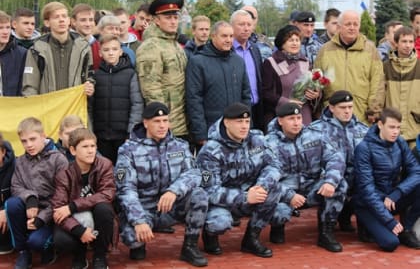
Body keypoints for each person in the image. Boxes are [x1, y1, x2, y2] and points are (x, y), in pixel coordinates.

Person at [115, 102, 208, 267]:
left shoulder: (179, 145)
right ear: (145, 123)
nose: (162, 125)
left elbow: (194, 173)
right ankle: (140, 242)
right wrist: (139, 221)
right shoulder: (128, 150)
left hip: (171, 206)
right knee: (132, 239)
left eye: (165, 120)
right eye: (157, 121)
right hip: (144, 207)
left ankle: (190, 247)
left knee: (199, 195)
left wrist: (174, 191)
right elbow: (125, 189)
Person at [197, 103, 284, 258]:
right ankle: (210, 235)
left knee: (274, 187)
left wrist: (261, 186)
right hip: (222, 202)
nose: (244, 126)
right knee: (219, 223)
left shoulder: (256, 140)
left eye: (246, 122)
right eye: (239, 122)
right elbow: (208, 190)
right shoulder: (209, 151)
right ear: (226, 123)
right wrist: (244, 197)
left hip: (251, 194)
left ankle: (251, 238)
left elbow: (274, 165)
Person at [265, 103, 347, 252]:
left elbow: (335, 157)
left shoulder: (315, 135)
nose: (296, 122)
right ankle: (277, 226)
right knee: (278, 213)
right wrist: (289, 195)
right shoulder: (269, 143)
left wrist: (330, 181)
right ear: (280, 121)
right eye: (291, 119)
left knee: (340, 185)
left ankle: (326, 233)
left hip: (311, 189)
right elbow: (266, 179)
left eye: (299, 118)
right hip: (285, 194)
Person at [353, 107, 420, 251]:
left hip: (390, 198)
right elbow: (367, 191)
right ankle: (366, 224)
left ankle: (405, 229)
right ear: (380, 125)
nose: (395, 131)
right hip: (368, 204)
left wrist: (397, 193)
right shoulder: (364, 148)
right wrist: (390, 222)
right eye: (391, 127)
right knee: (390, 243)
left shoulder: (400, 142)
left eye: (398, 127)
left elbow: (416, 171)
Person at [6, 117, 68, 269]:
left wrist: (41, 218)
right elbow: (16, 186)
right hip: (29, 209)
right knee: (12, 204)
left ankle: (48, 247)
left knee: (37, 242)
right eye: (24, 141)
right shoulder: (20, 161)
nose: (29, 145)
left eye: (33, 139)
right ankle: (23, 252)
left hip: (51, 213)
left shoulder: (59, 159)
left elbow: (62, 196)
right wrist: (30, 198)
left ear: (43, 136)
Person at [51, 128, 115, 269]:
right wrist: (79, 230)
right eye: (85, 147)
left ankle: (100, 255)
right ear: (73, 150)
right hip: (77, 219)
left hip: (97, 215)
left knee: (104, 208)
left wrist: (72, 206)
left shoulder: (104, 165)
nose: (90, 150)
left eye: (93, 146)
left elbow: (107, 193)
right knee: (60, 240)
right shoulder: (64, 174)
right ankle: (79, 255)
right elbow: (57, 209)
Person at [186, 21, 251, 146]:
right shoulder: (198, 62)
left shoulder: (238, 61)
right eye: (224, 36)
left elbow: (246, 95)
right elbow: (194, 100)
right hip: (211, 131)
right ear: (213, 36)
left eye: (231, 36)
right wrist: (200, 134)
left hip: (236, 131)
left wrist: (246, 124)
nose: (228, 40)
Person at [311, 90, 368, 232]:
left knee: (369, 182)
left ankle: (356, 221)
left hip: (355, 177)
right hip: (326, 177)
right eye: (343, 108)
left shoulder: (362, 129)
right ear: (331, 108)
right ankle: (326, 228)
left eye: (350, 107)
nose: (347, 111)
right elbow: (311, 163)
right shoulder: (316, 130)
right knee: (338, 184)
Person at [315, 10, 385, 124]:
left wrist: (374, 110)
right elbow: (317, 81)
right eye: (348, 24)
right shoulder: (325, 50)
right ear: (339, 26)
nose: (352, 28)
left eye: (355, 24)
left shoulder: (370, 50)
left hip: (361, 115)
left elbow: (377, 82)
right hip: (332, 116)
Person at [136, 0, 189, 139]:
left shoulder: (175, 44)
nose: (173, 21)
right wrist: (162, 121)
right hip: (167, 124)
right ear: (157, 20)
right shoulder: (150, 47)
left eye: (175, 17)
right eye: (168, 17)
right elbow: (151, 88)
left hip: (182, 122)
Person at [21, 2, 94, 97]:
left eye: (64, 16)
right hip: (47, 107)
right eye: (56, 17)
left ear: (69, 21)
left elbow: (90, 75)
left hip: (74, 106)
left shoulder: (83, 47)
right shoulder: (36, 49)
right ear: (47, 22)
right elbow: (30, 85)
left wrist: (90, 85)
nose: (61, 20)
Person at [91, 34, 143, 164]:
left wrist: (131, 133)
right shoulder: (95, 76)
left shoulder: (130, 74)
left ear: (120, 52)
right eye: (106, 50)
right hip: (101, 136)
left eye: (114, 49)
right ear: (100, 53)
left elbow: (137, 104)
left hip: (123, 135)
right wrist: (91, 133)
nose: (111, 53)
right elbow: (90, 107)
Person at [262, 25, 320, 128]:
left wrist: (315, 95)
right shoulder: (271, 62)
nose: (295, 43)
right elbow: (266, 93)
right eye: (290, 40)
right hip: (281, 117)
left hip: (304, 117)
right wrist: (287, 102)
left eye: (297, 40)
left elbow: (314, 87)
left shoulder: (306, 62)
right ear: (282, 43)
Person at [383, 26, 420, 148]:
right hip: (391, 129)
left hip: (415, 129)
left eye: (411, 42)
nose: (408, 45)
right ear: (396, 43)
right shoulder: (385, 67)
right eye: (404, 41)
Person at [231, 10, 264, 131]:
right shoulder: (227, 50)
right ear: (232, 26)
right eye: (241, 24)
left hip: (256, 108)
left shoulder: (254, 49)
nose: (246, 28)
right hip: (236, 111)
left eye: (249, 25)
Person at [0, 10, 27, 97]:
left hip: (12, 107)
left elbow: (23, 87)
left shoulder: (21, 54)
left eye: (8, 27)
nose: (5, 32)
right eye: (0, 28)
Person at [71, 3, 101, 70]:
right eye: (83, 20)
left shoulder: (99, 47)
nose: (88, 24)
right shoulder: (68, 45)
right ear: (73, 22)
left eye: (91, 20)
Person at [0, 133, 15, 255]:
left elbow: (20, 192)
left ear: (3, 152)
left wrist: (5, 209)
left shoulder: (16, 165)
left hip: (8, 212)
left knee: (14, 206)